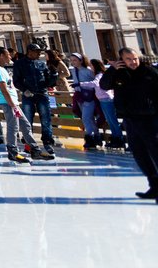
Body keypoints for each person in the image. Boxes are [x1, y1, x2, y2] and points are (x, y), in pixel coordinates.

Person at [100, 47, 158, 200]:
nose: (133, 62)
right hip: (130, 119)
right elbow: (104, 85)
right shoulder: (118, 73)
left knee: (155, 152)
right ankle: (154, 186)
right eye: (129, 59)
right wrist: (111, 70)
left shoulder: (149, 72)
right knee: (140, 155)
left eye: (135, 58)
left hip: (149, 119)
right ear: (121, 60)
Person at [0, 47, 49, 162]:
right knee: (13, 126)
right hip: (7, 103)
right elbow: (4, 90)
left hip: (13, 102)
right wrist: (13, 105)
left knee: (25, 125)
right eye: (7, 54)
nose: (10, 56)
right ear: (1, 55)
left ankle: (35, 150)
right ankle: (13, 151)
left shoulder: (2, 69)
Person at [12, 42, 56, 151]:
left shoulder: (41, 63)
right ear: (30, 52)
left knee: (46, 118)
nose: (39, 54)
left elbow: (47, 80)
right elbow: (16, 81)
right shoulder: (19, 64)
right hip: (28, 94)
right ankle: (28, 142)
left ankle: (47, 141)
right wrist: (24, 90)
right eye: (37, 52)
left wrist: (53, 76)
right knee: (27, 119)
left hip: (42, 93)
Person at [68, 54, 101, 150]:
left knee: (86, 118)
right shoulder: (73, 70)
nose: (73, 62)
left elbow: (94, 83)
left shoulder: (87, 71)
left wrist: (82, 85)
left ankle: (89, 138)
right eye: (71, 60)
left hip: (89, 97)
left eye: (75, 60)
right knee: (89, 118)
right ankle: (97, 136)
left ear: (81, 61)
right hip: (79, 96)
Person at [92, 57, 125, 148]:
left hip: (107, 99)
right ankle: (115, 138)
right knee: (110, 120)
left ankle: (119, 139)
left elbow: (96, 83)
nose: (90, 67)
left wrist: (81, 84)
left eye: (91, 65)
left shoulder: (100, 75)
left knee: (113, 120)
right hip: (103, 99)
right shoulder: (99, 74)